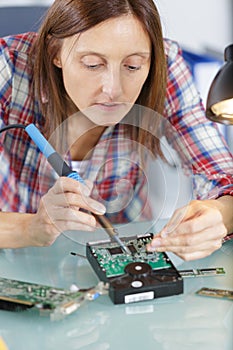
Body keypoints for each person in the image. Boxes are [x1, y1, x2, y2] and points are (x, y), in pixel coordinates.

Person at [0, 0, 232, 261]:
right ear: (55, 51)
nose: (113, 90)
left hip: (128, 244)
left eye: (132, 66)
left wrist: (222, 212)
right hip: (16, 250)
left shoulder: (165, 64)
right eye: (92, 64)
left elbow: (220, 169)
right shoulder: (7, 65)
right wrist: (32, 228)